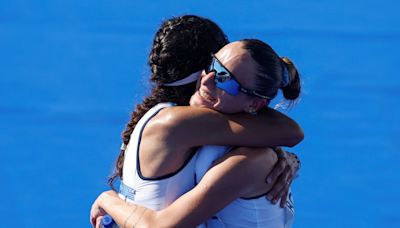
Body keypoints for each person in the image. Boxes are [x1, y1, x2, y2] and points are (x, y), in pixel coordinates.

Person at [91, 15, 303, 227]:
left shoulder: (238, 154)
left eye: (225, 79)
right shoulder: (177, 123)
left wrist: (109, 199)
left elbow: (286, 134)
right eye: (213, 65)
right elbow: (289, 132)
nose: (209, 78)